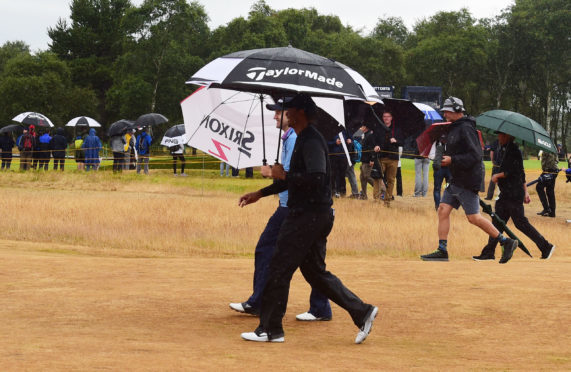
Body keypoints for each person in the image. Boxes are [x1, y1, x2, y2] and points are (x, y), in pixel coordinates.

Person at [238, 94, 377, 344]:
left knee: (278, 268)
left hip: (308, 216)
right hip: (313, 215)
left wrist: (280, 175)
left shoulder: (311, 140)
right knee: (314, 273)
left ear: (300, 112)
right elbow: (298, 178)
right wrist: (261, 192)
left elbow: (316, 178)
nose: (284, 114)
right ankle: (362, 311)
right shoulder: (305, 138)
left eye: (287, 109)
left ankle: (270, 329)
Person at [230, 97, 332, 321]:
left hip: (294, 207)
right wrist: (261, 192)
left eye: (279, 112)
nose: (275, 116)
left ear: (294, 115)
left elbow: (306, 176)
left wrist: (275, 175)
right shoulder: (293, 137)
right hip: (298, 206)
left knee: (269, 252)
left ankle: (260, 303)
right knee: (313, 262)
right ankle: (321, 307)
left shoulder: (300, 138)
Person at [420, 97, 518, 263]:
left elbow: (476, 155)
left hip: (467, 179)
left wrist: (452, 160)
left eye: (447, 110)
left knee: (473, 218)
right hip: (456, 178)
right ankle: (442, 250)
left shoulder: (466, 128)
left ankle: (505, 242)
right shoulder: (454, 128)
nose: (444, 113)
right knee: (443, 209)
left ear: (458, 110)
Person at [473, 131, 555, 261]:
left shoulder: (514, 150)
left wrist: (497, 176)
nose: (498, 137)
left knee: (520, 223)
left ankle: (545, 246)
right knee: (497, 222)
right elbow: (521, 173)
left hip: (513, 193)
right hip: (507, 193)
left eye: (500, 135)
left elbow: (512, 171)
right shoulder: (504, 149)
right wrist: (526, 191)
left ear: (507, 136)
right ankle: (489, 252)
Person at [374, 111, 402, 206]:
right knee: (378, 178)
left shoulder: (396, 130)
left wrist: (396, 141)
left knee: (391, 180)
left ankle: (387, 200)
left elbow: (402, 142)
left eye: (388, 116)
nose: (386, 118)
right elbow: (374, 141)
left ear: (391, 118)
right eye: (384, 116)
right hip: (381, 157)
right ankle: (376, 200)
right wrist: (376, 146)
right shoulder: (379, 129)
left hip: (393, 158)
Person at [536, 150, 559, 217]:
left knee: (539, 187)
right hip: (551, 171)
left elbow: (551, 161)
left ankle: (547, 209)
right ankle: (552, 212)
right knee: (550, 191)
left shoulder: (548, 148)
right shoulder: (550, 146)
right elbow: (556, 161)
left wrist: (546, 172)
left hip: (550, 171)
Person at [431, 136, 451, 210]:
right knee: (437, 188)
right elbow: (431, 155)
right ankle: (437, 206)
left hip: (450, 168)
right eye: (442, 137)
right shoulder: (435, 143)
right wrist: (440, 158)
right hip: (439, 169)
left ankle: (447, 205)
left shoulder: (452, 144)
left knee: (449, 186)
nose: (443, 139)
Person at [328, 133, 348, 197]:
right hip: (333, 156)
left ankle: (342, 192)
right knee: (333, 174)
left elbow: (350, 140)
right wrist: (335, 143)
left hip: (343, 156)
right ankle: (333, 191)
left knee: (342, 175)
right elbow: (327, 143)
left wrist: (349, 141)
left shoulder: (344, 132)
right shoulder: (330, 132)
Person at [358, 122, 375, 200]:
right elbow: (355, 138)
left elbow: (372, 148)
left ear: (366, 127)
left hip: (368, 160)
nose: (361, 128)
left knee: (367, 176)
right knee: (362, 178)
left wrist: (372, 159)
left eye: (362, 126)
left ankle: (381, 190)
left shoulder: (370, 135)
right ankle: (364, 195)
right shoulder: (365, 135)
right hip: (364, 159)